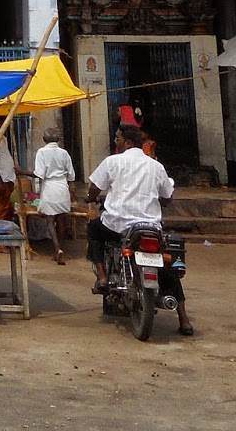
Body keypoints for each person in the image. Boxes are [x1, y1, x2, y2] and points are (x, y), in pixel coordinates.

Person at [87, 124, 194, 335]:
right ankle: (184, 319)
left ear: (127, 143)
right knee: (167, 267)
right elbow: (167, 196)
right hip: (150, 227)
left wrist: (90, 197)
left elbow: (94, 187)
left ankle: (101, 276)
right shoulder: (156, 166)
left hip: (117, 225)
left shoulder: (112, 162)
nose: (115, 142)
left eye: (117, 138)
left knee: (93, 229)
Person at [30, 126, 76, 264]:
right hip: (62, 187)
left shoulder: (42, 152)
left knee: (50, 220)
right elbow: (71, 175)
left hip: (50, 187)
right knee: (61, 219)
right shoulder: (64, 153)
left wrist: (22, 172)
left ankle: (57, 249)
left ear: (44, 139)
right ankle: (60, 248)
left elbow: (39, 174)